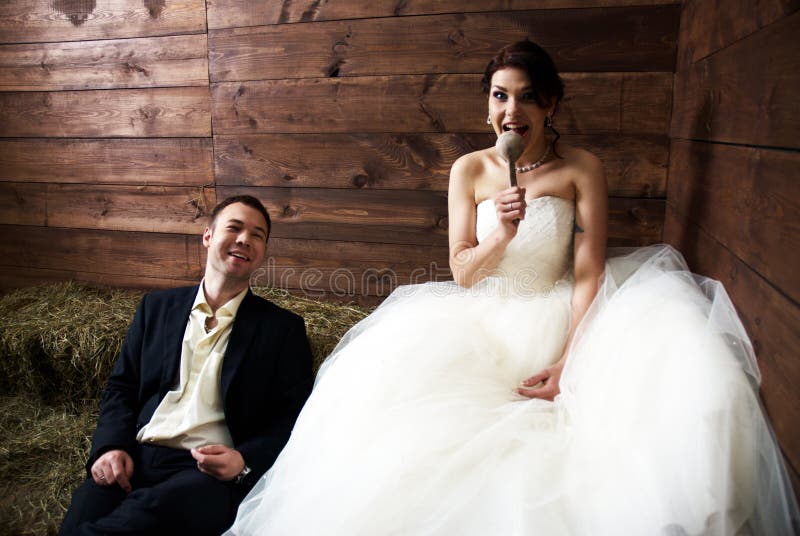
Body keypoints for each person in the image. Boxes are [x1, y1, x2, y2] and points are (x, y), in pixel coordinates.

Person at [226, 42, 799, 535]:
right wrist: (500, 232)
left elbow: (588, 271)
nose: (512, 110)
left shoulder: (581, 168)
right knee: (397, 432)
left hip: (558, 314)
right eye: (500, 96)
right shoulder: (469, 170)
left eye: (526, 96)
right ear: (488, 107)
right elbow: (462, 272)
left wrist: (570, 358)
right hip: (479, 321)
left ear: (550, 104)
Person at [59, 195, 314, 535]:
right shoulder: (155, 307)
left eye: (257, 235)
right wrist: (111, 447)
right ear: (207, 236)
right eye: (234, 228)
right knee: (82, 515)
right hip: (138, 454)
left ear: (262, 252)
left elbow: (293, 415)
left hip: (206, 474)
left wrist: (244, 461)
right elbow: (121, 386)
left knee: (133, 519)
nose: (244, 240)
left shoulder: (283, 328)